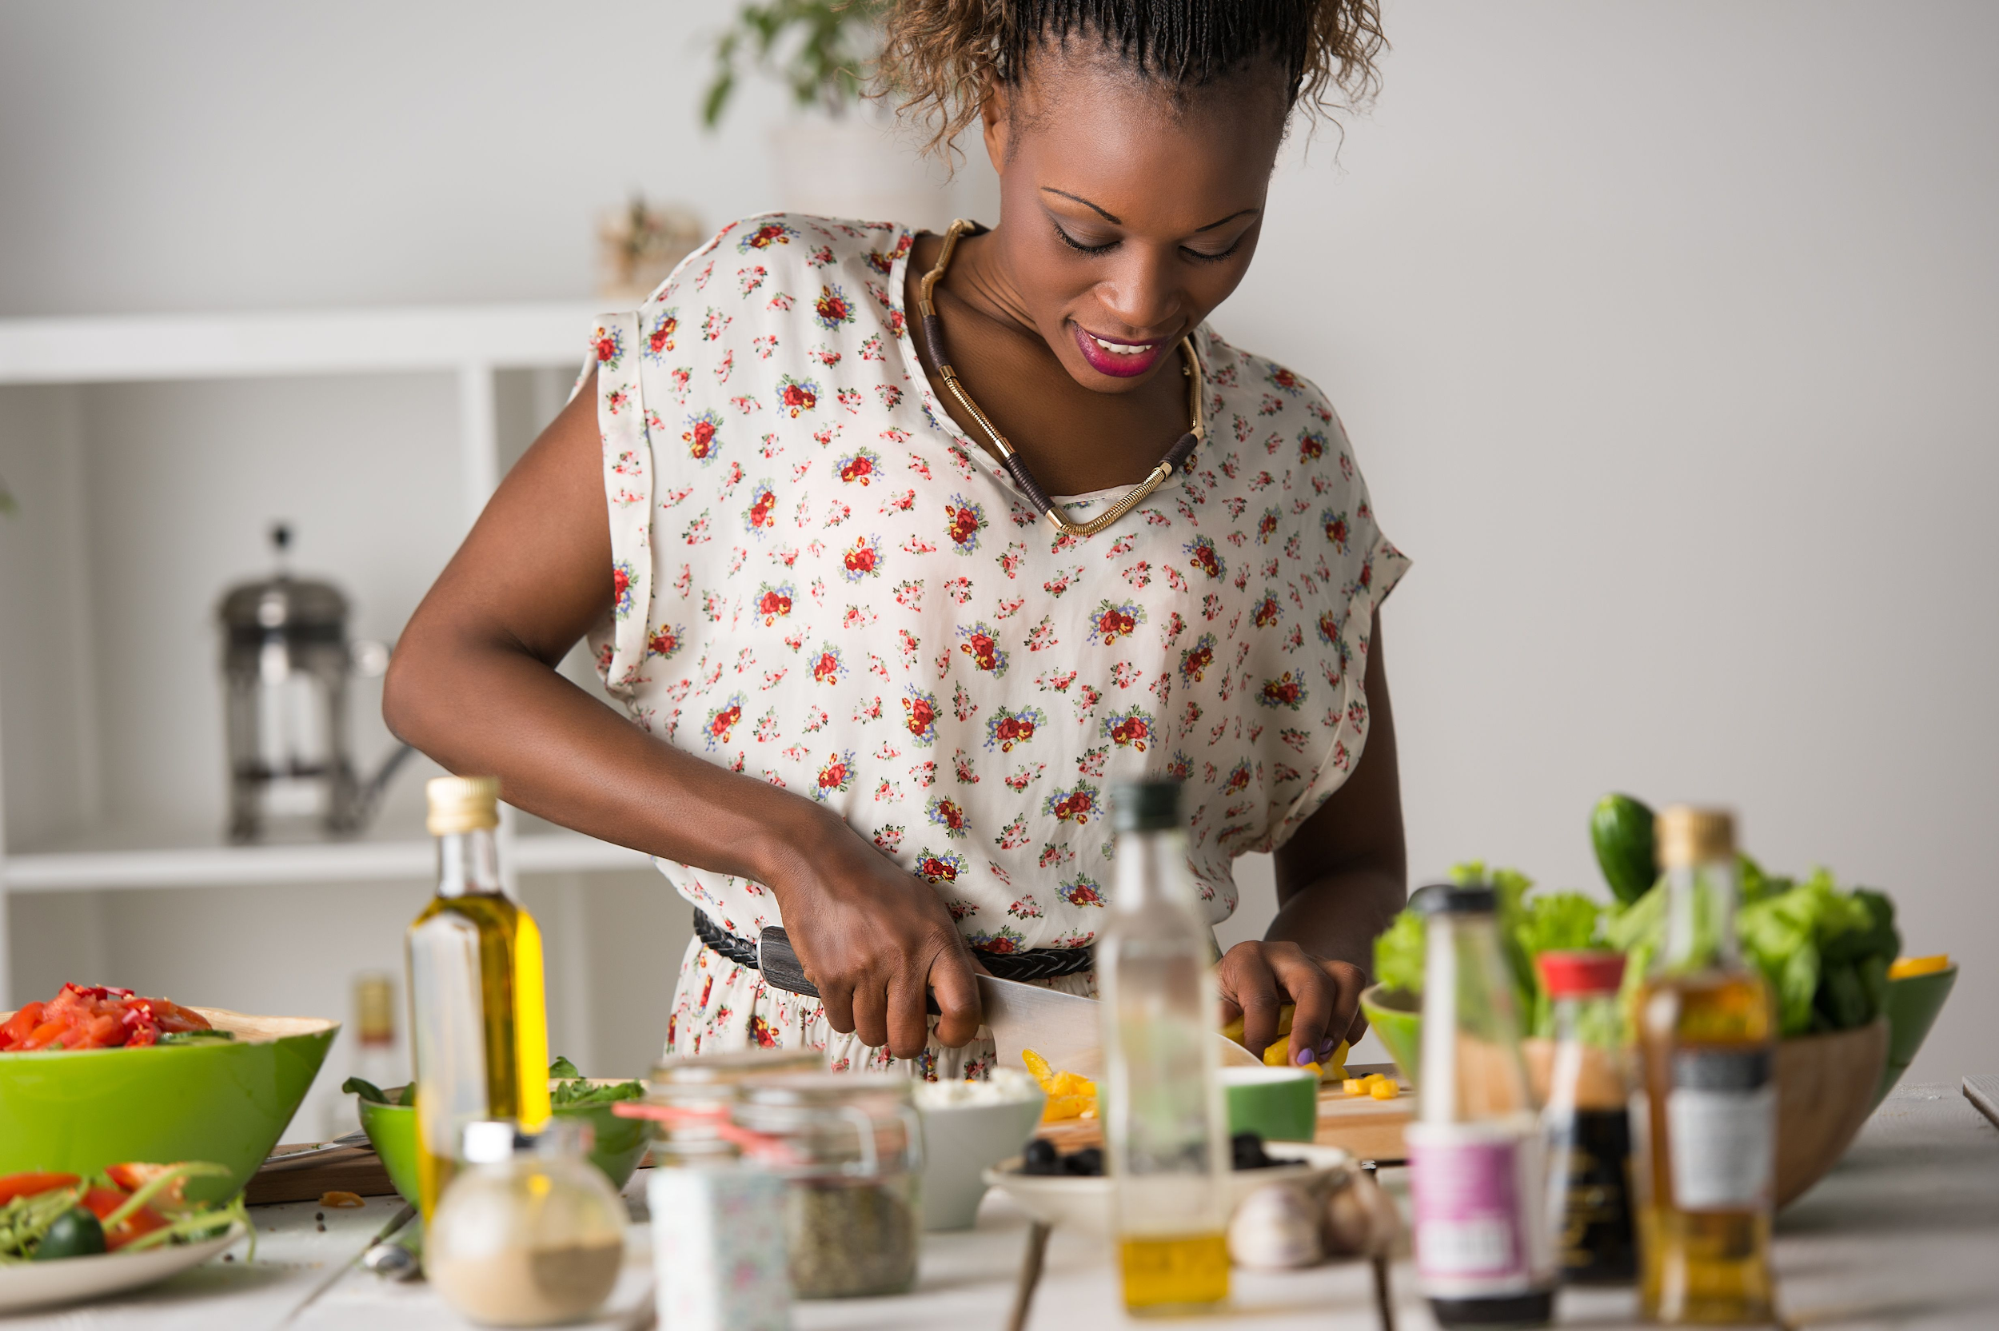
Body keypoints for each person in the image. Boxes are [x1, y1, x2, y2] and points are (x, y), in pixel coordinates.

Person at [384, 0, 1407, 1079]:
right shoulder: (774, 317)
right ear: (995, 116)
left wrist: (1308, 964)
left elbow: (1359, 866)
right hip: (806, 1095)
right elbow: (442, 675)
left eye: (1215, 242)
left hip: (1146, 1099)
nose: (1139, 299)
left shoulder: (1288, 452)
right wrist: (793, 848)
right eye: (1083, 231)